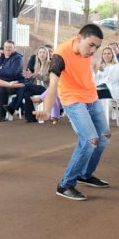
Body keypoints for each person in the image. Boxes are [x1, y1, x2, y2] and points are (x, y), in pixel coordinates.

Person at [34, 24, 109, 201]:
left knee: (104, 137)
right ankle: (65, 184)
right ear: (78, 38)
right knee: (90, 140)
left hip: (91, 96)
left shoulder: (86, 51)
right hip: (73, 100)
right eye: (91, 45)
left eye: (97, 47)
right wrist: (46, 110)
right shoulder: (60, 56)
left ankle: (85, 174)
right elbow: (53, 86)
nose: (93, 50)